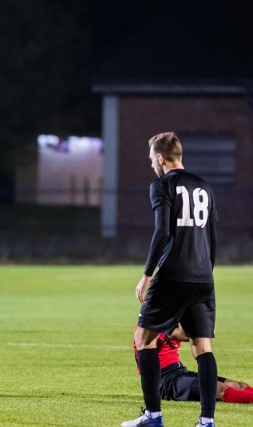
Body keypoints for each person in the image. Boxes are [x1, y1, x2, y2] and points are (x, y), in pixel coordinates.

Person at [122, 132, 219, 427]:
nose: (151, 164)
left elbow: (162, 232)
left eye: (152, 159)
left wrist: (147, 275)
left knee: (143, 340)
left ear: (161, 158)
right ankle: (206, 422)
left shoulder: (162, 185)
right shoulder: (204, 186)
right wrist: (205, 272)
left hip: (174, 275)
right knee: (203, 347)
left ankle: (153, 416)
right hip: (203, 277)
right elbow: (212, 238)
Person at [130, 324, 253, 404]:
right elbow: (185, 334)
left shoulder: (169, 314)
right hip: (165, 381)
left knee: (239, 385)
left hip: (179, 372)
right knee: (217, 388)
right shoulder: (154, 320)